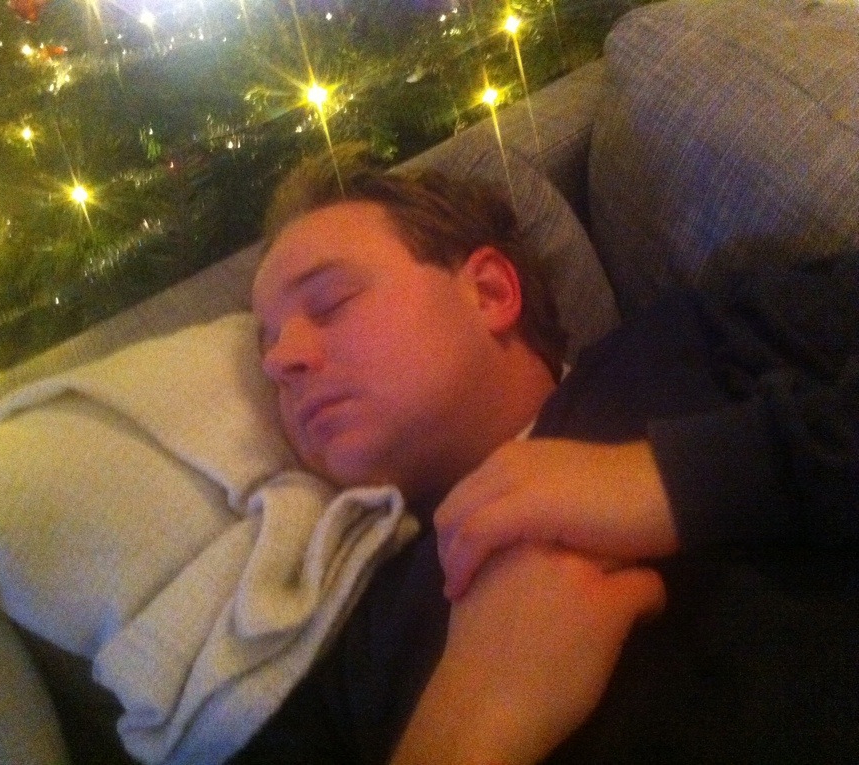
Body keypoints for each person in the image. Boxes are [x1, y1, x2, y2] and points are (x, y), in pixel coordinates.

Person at [233, 150, 859, 764]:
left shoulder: (687, 342)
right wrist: (462, 739)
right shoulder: (342, 645)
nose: (280, 360)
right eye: (268, 344)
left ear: (488, 292)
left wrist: (679, 481)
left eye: (331, 302)